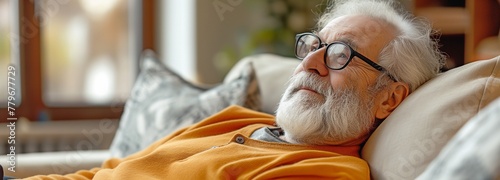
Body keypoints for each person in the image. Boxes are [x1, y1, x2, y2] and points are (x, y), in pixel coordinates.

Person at [25, 0, 444, 179]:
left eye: (340, 55)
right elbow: (107, 173)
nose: (311, 63)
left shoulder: (325, 171)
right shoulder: (240, 119)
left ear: (389, 98)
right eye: (314, 46)